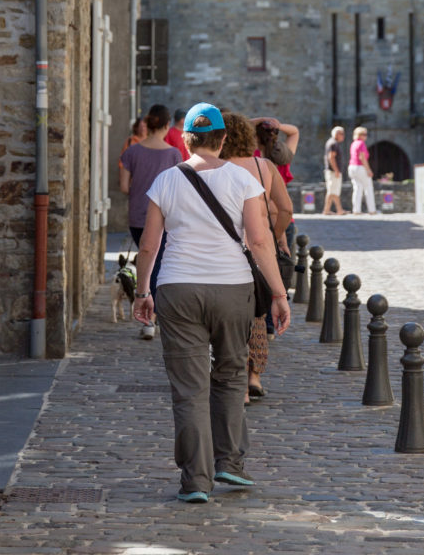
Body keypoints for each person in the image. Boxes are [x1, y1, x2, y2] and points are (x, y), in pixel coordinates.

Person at [132, 103, 291, 503]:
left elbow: (149, 244)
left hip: (178, 289)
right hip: (232, 289)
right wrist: (278, 292)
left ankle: (195, 482)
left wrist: (142, 290)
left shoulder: (166, 180)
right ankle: (230, 462)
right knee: (232, 374)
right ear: (222, 138)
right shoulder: (243, 180)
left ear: (185, 139)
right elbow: (259, 241)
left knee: (188, 389)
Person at [219, 112, 294, 402]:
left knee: (230, 318)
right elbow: (285, 209)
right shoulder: (264, 167)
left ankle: (236, 382)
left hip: (226, 251)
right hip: (260, 252)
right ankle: (254, 377)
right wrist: (275, 235)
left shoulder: (217, 168)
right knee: (257, 316)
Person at [119, 105, 182, 339]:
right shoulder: (174, 154)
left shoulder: (132, 152)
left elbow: (124, 186)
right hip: (165, 217)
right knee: (160, 265)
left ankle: (149, 317)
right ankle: (153, 317)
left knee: (149, 261)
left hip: (138, 216)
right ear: (167, 126)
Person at [348, 126, 376, 214]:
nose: (365, 136)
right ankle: (372, 210)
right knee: (368, 188)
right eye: (364, 134)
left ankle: (356, 210)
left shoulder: (353, 143)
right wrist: (368, 170)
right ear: (359, 135)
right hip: (360, 167)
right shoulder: (361, 143)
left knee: (357, 188)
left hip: (352, 167)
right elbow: (362, 157)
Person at [322, 126, 347, 215]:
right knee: (332, 191)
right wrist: (336, 170)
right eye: (342, 134)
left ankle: (330, 210)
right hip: (332, 171)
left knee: (333, 191)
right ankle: (333, 210)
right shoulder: (333, 144)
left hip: (332, 171)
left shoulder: (333, 143)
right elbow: (331, 157)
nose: (343, 136)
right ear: (337, 134)